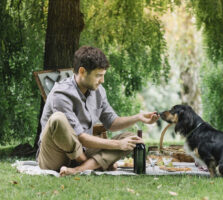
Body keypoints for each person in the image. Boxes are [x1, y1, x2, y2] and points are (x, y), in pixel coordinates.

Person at [37, 46, 159, 176]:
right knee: (58, 119)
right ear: (82, 71)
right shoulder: (60, 94)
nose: (102, 80)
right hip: (55, 156)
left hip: (83, 150)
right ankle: (91, 164)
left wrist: (138, 117)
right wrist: (117, 144)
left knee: (132, 139)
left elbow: (112, 123)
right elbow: (81, 137)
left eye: (103, 75)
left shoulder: (98, 91)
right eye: (98, 75)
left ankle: (79, 169)